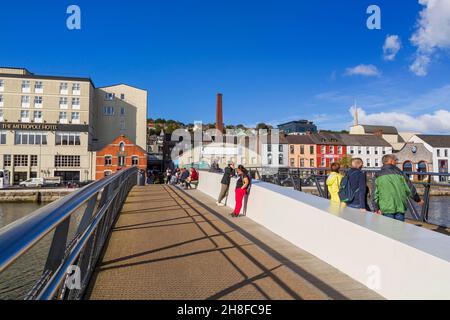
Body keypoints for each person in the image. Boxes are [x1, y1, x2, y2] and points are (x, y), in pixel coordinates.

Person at [372, 154, 424, 222]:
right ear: (390, 161)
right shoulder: (400, 173)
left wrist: (376, 208)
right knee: (399, 229)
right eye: (395, 160)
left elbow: (374, 194)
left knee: (387, 230)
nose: (396, 162)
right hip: (400, 206)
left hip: (386, 207)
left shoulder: (377, 175)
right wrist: (417, 199)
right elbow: (409, 187)